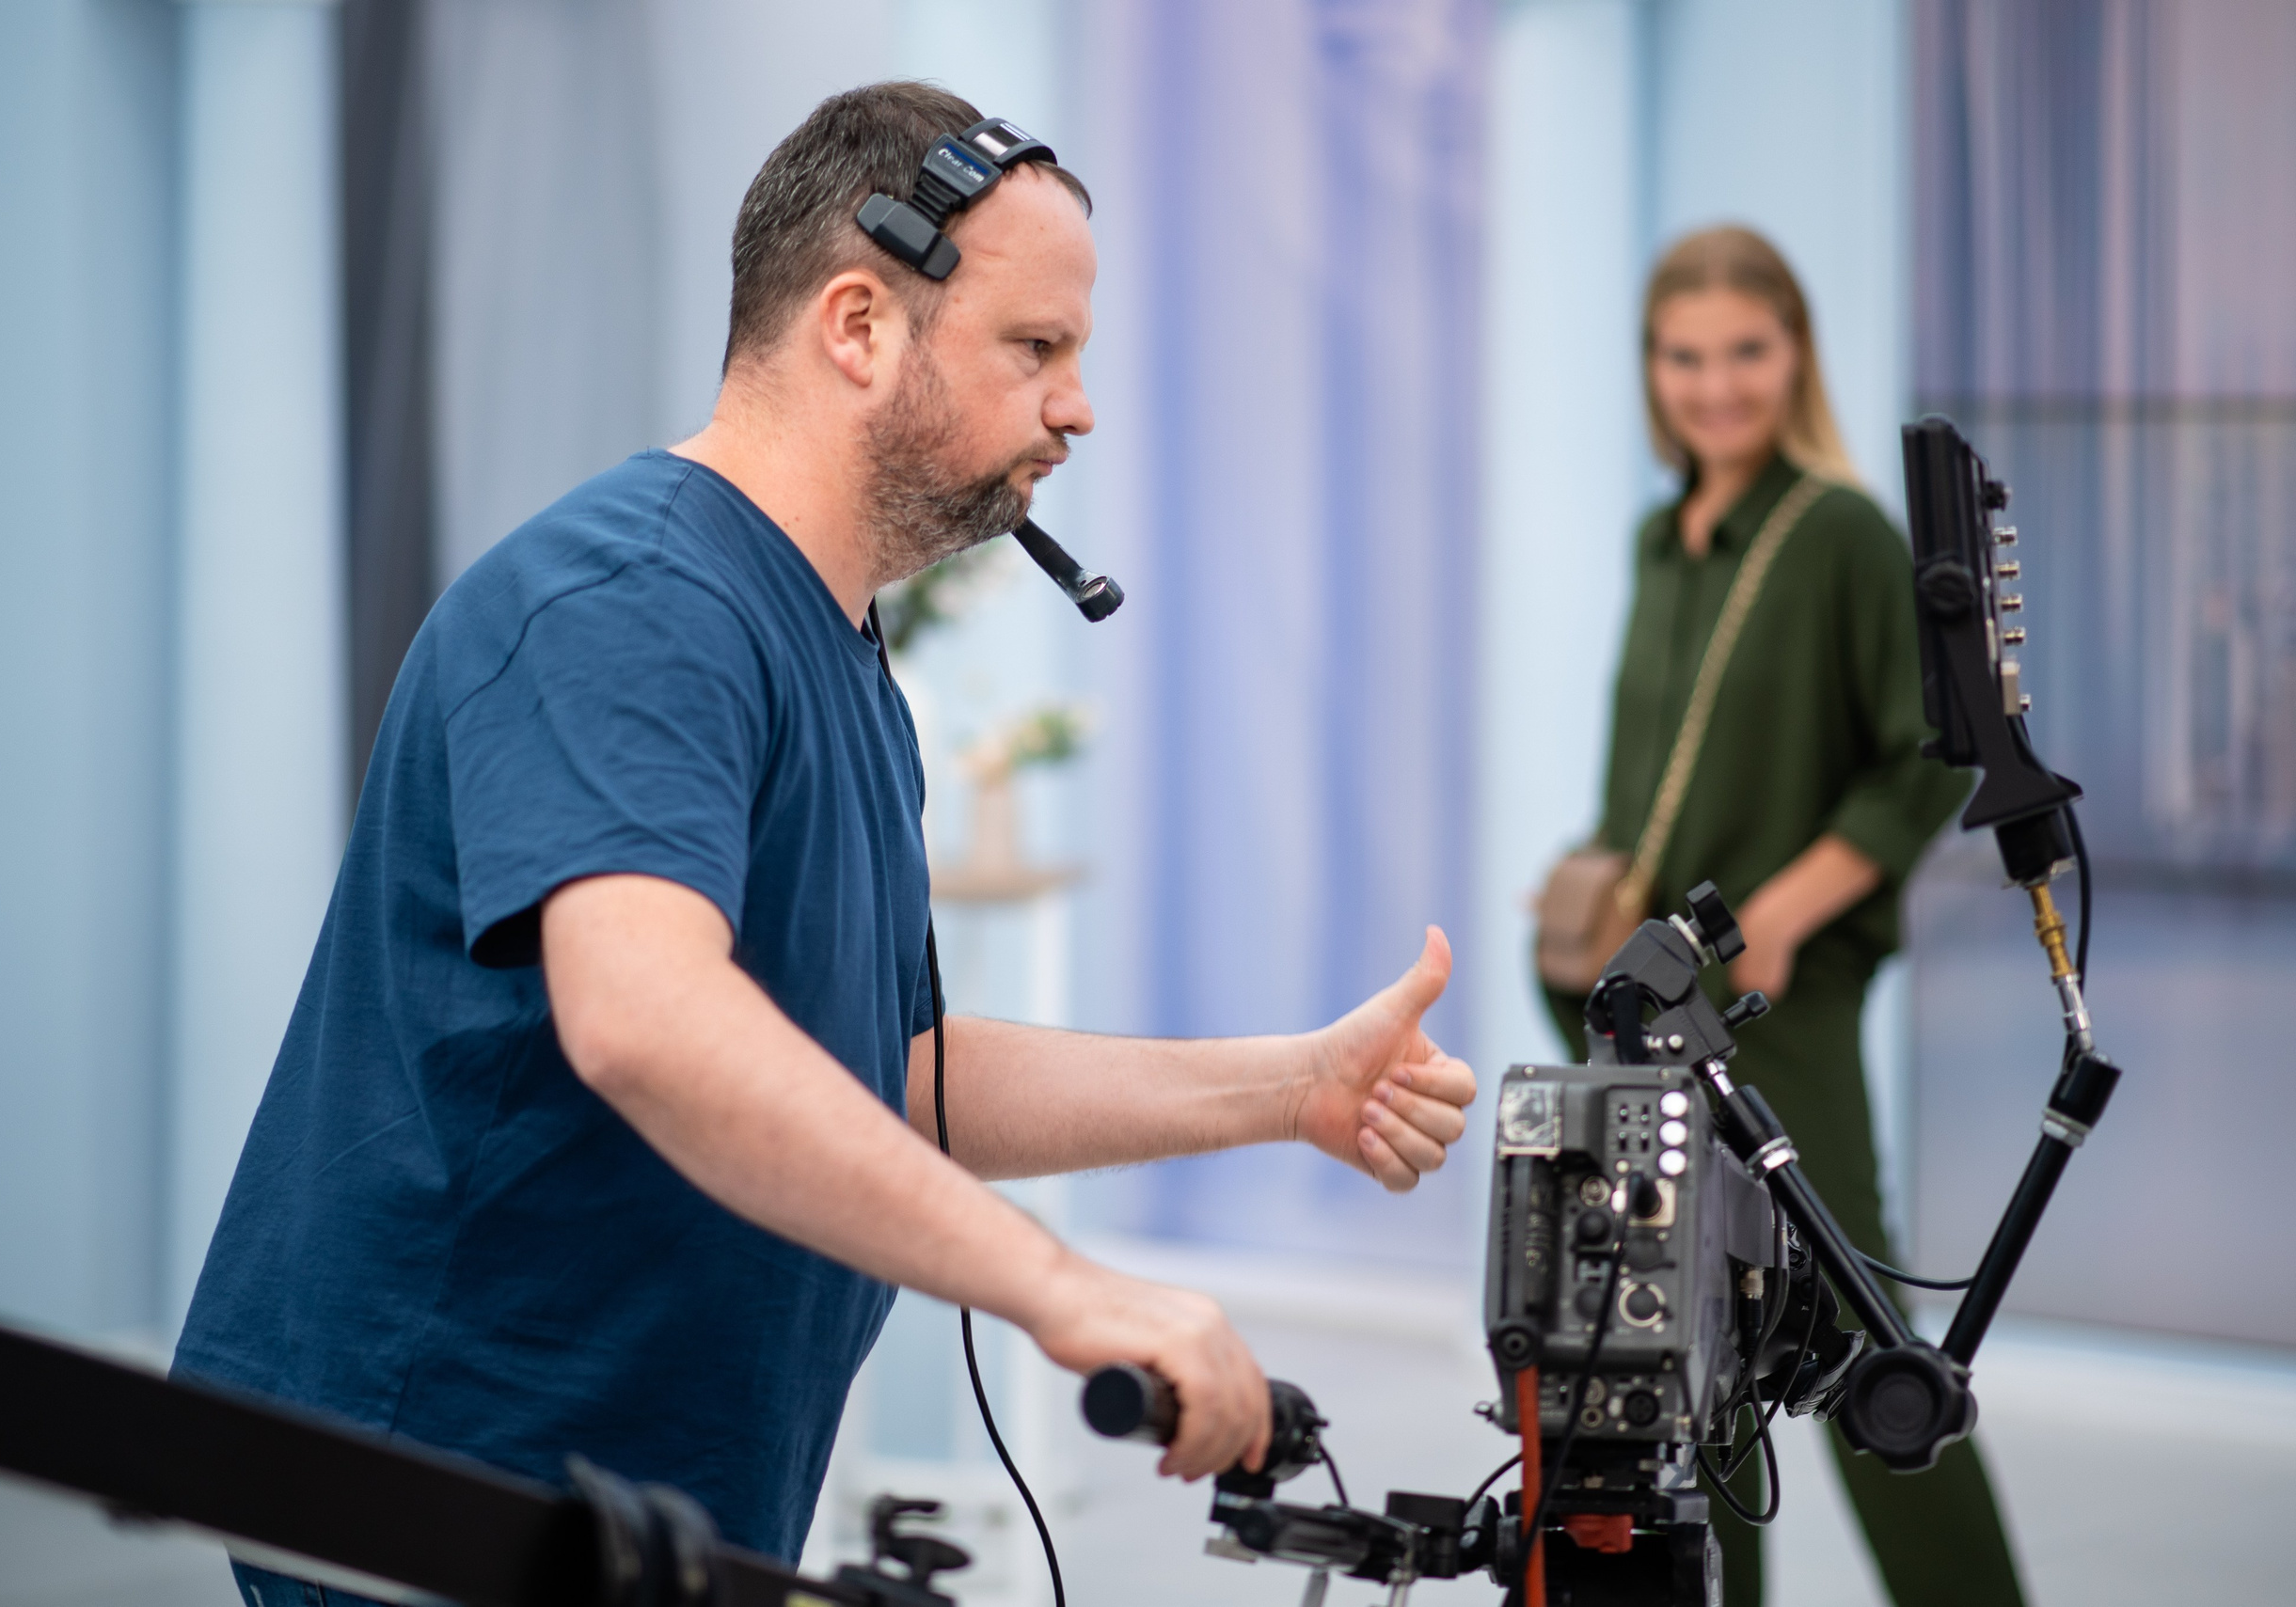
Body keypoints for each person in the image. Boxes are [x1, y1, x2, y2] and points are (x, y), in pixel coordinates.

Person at [176, 82, 1476, 1603]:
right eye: (1036, 348)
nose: (1079, 408)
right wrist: (1057, 1287)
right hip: (441, 1479)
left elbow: (887, 1067)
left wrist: (1290, 1087)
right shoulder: (632, 600)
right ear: (858, 326)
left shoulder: (837, 651)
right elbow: (650, 1024)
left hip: (644, 1504)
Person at [1541, 226, 2026, 1607]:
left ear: (1796, 353)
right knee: (1685, 1353)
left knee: (1866, 1345)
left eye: (1746, 351)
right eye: (1685, 356)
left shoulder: (1840, 534)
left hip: (1774, 1013)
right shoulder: (1667, 533)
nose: (1717, 385)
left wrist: (1785, 912)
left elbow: (1929, 759)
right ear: (1653, 370)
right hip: (1653, 1008)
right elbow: (1657, 766)